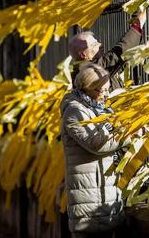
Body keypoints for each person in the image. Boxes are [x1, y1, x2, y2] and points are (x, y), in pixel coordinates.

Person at [61, 63, 132, 238]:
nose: (107, 95)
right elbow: (97, 144)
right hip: (87, 198)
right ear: (88, 88)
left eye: (108, 89)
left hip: (102, 194)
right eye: (103, 90)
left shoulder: (99, 109)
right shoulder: (74, 112)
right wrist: (129, 135)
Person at [69, 10, 146, 91]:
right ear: (83, 55)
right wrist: (137, 26)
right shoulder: (91, 70)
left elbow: (121, 61)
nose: (100, 45)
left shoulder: (81, 71)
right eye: (95, 44)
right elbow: (119, 53)